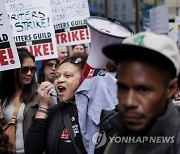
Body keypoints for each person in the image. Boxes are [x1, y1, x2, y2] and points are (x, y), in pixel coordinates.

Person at [98, 32, 180, 154]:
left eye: (143, 90)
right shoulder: (115, 138)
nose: (129, 102)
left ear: (171, 88)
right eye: (123, 88)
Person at [25, 53, 88, 154]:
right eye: (57, 76)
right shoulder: (53, 112)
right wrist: (43, 105)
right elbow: (32, 150)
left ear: (83, 79)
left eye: (67, 75)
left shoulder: (98, 112)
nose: (60, 80)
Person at [0, 48, 39, 154]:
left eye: (33, 69)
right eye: (25, 69)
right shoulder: (2, 97)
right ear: (13, 70)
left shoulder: (40, 94)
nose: (30, 73)